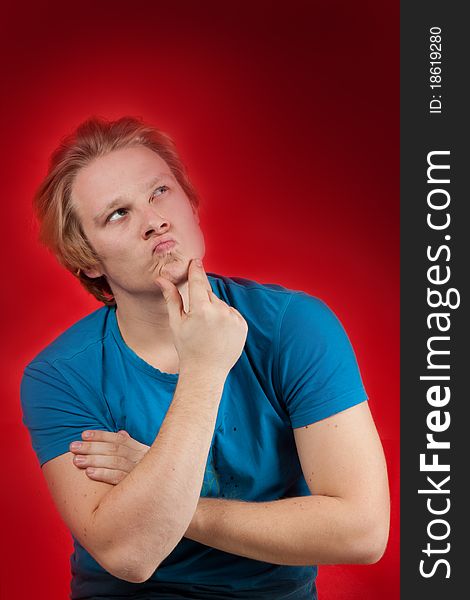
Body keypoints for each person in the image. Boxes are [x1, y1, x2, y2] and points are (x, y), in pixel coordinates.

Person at [20, 115, 390, 600]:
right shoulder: (61, 376)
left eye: (160, 192)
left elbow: (361, 532)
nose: (154, 220)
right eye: (117, 214)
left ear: (191, 205)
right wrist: (205, 369)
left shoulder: (293, 327)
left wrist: (166, 498)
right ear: (88, 259)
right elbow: (129, 555)